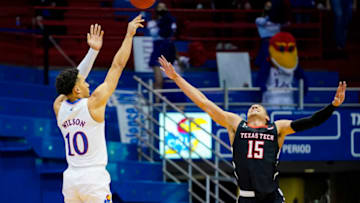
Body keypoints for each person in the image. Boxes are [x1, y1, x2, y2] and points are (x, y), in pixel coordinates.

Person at [158, 55, 346, 203]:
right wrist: (176, 78)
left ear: (266, 117)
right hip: (247, 196)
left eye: (258, 106)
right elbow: (204, 103)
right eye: (251, 107)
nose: (254, 106)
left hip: (272, 196)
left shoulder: (277, 128)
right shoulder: (235, 124)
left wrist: (333, 106)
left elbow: (310, 122)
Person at [53, 16, 144, 202]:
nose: (87, 82)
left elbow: (69, 85)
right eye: (83, 82)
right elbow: (117, 66)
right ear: (77, 89)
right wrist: (128, 35)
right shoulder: (93, 103)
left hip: (71, 179)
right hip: (93, 179)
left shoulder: (59, 107)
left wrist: (93, 52)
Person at [148, 2, 177, 91]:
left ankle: (166, 100)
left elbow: (172, 33)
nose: (162, 10)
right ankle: (155, 101)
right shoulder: (152, 23)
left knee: (170, 80)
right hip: (158, 50)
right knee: (159, 80)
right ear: (156, 10)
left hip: (169, 50)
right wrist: (161, 23)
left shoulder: (171, 21)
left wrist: (167, 21)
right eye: (160, 8)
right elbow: (156, 34)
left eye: (164, 7)